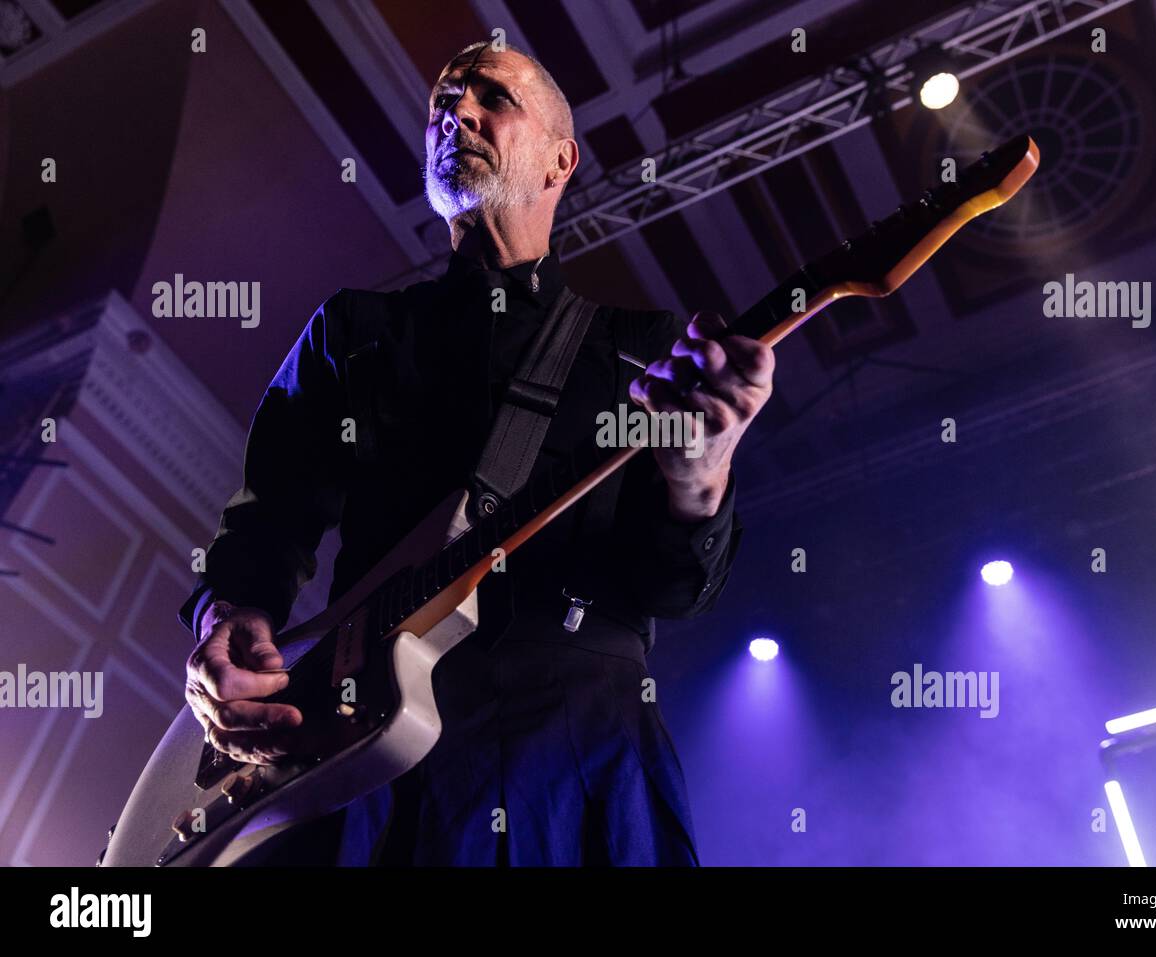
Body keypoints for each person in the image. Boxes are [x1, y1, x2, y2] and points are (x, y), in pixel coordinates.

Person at [179, 40, 774, 865]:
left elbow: (675, 588)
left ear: (560, 160)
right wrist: (228, 617)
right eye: (442, 103)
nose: (454, 112)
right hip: (365, 753)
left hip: (575, 748)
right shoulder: (355, 331)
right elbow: (267, 520)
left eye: (491, 97)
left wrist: (700, 473)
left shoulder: (644, 349)